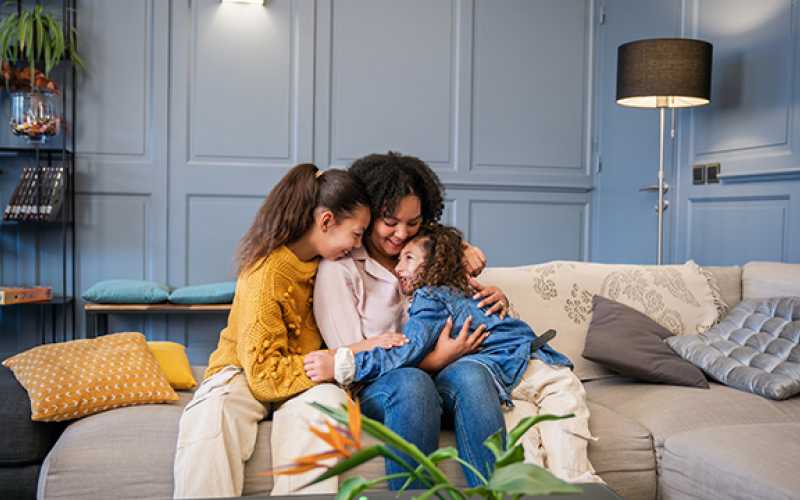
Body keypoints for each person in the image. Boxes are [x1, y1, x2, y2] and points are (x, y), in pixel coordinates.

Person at [309, 224, 602, 484]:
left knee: (538, 449)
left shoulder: (436, 294)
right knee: (559, 454)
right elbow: (411, 350)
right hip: (521, 370)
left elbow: (410, 347)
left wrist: (345, 364)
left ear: (435, 265)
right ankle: (575, 485)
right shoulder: (345, 269)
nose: (399, 266)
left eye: (408, 258)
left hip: (517, 370)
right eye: (391, 223)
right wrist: (346, 362)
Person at [306, 152, 510, 488]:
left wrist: (498, 298)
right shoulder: (340, 268)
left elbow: (467, 305)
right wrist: (433, 360)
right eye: (390, 221)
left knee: (472, 374)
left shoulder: (432, 255)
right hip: (383, 387)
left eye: (412, 222)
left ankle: (493, 495)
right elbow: (349, 361)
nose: (401, 233)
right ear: (368, 213)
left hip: (445, 380)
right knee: (412, 383)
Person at [173, 163, 371, 498]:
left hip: (311, 374)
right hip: (246, 368)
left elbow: (407, 246)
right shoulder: (265, 273)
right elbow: (264, 377)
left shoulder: (335, 261)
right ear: (326, 221)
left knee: (325, 410)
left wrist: (459, 250)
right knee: (213, 415)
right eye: (356, 233)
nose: (358, 244)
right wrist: (338, 358)